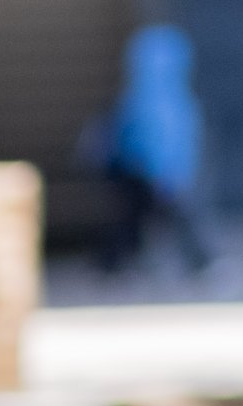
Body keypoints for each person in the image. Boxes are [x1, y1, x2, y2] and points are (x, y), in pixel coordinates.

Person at [92, 24, 217, 277]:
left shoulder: (141, 94)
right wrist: (163, 171)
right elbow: (157, 139)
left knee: (133, 219)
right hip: (151, 173)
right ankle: (200, 264)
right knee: (174, 217)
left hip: (140, 172)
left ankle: (112, 265)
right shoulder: (164, 98)